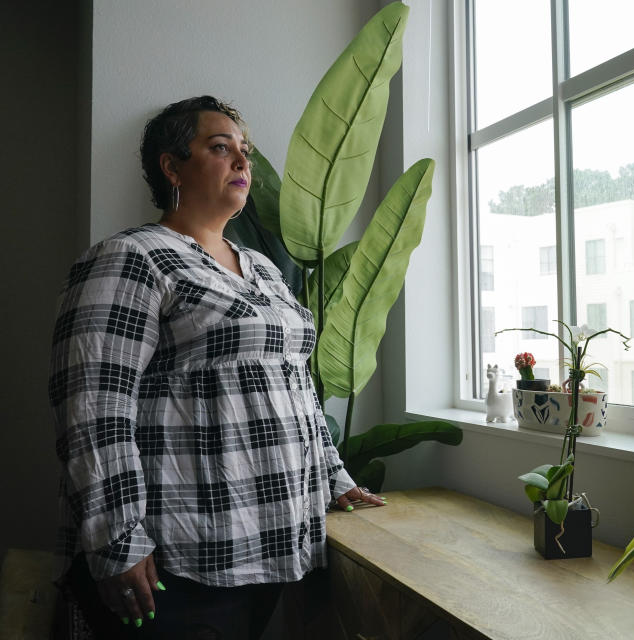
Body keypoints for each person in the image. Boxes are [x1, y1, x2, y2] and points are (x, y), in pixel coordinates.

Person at [49, 96, 384, 639]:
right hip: (180, 559)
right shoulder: (132, 257)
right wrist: (117, 542)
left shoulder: (265, 271)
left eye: (244, 153)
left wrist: (334, 478)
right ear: (172, 165)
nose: (242, 164)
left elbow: (296, 386)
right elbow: (92, 408)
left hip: (271, 548)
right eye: (220, 147)